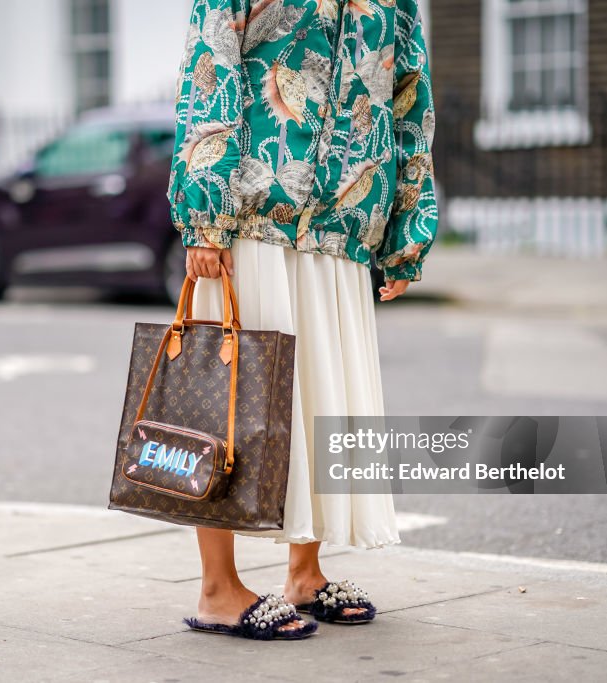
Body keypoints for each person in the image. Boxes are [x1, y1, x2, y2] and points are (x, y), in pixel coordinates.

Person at [169, 0, 438, 640]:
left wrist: (408, 227)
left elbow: (409, 102)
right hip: (253, 217)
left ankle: (304, 575)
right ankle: (217, 589)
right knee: (231, 409)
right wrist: (206, 215)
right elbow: (211, 67)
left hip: (342, 230)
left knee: (320, 402)